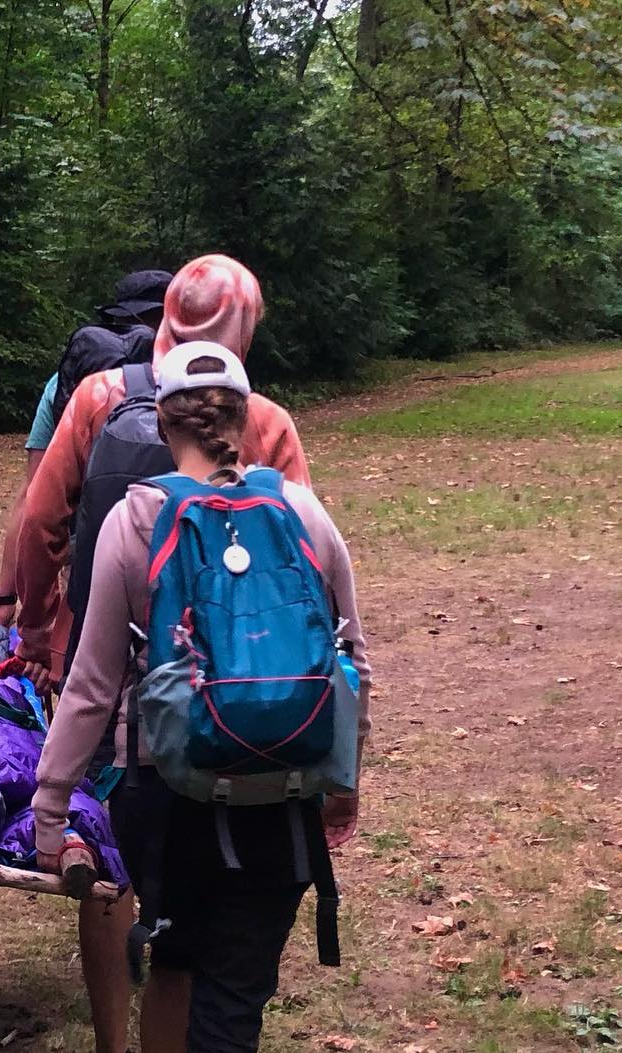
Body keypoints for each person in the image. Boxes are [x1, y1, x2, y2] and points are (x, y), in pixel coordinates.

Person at [31, 343, 369, 1053]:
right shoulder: (303, 512)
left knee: (176, 965)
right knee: (234, 996)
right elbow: (351, 657)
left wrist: (50, 804)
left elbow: (93, 686)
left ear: (160, 423)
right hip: (286, 792)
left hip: (168, 797)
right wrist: (344, 780)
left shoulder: (135, 520)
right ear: (248, 419)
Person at [0, 270, 171, 628]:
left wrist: (9, 601)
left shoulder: (66, 384)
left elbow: (35, 501)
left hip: (87, 550)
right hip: (180, 545)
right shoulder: (206, 383)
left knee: (83, 666)